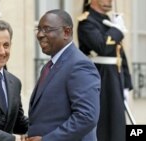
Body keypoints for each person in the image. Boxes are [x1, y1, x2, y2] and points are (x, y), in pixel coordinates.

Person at [27, 9, 101, 141]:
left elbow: (86, 117)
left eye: (47, 29)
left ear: (66, 32)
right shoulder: (49, 66)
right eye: (38, 29)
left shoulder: (80, 65)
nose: (39, 34)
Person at [77, 0, 133, 141]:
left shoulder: (108, 20)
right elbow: (102, 47)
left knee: (117, 126)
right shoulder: (86, 21)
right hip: (100, 79)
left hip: (114, 79)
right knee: (104, 126)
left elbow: (118, 53)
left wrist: (126, 82)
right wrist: (116, 31)